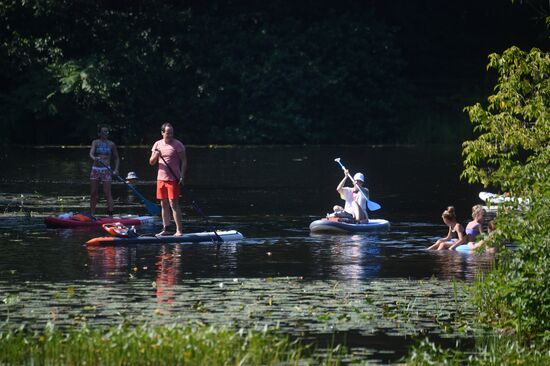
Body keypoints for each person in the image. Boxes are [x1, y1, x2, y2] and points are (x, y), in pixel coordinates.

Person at [149, 123, 187, 236]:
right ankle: (166, 229)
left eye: (171, 133)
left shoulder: (178, 144)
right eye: (167, 133)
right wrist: (156, 154)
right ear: (162, 133)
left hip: (173, 179)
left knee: (173, 204)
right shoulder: (157, 144)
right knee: (163, 204)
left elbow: (184, 161)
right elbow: (151, 162)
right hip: (161, 179)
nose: (170, 135)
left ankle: (179, 230)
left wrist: (182, 176)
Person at [89, 125, 119, 217]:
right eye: (103, 132)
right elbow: (91, 153)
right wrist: (95, 158)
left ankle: (110, 213)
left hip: (106, 170)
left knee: (107, 192)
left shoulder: (111, 144)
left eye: (107, 132)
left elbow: (116, 158)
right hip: (96, 169)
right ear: (99, 133)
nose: (105, 134)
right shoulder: (95, 142)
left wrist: (116, 169)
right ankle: (92, 214)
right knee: (93, 192)